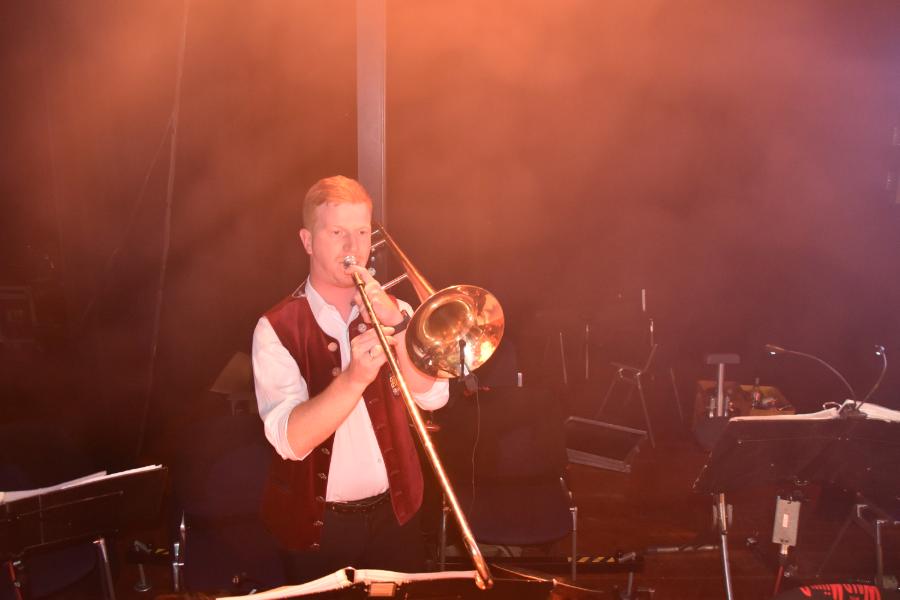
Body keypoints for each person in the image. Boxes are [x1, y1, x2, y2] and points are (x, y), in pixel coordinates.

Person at [252, 175, 449, 583]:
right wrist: (353, 379)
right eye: (337, 232)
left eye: (361, 232)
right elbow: (291, 441)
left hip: (396, 517)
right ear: (308, 241)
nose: (352, 248)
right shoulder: (275, 328)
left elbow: (434, 398)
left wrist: (399, 325)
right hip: (319, 528)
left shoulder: (397, 310)